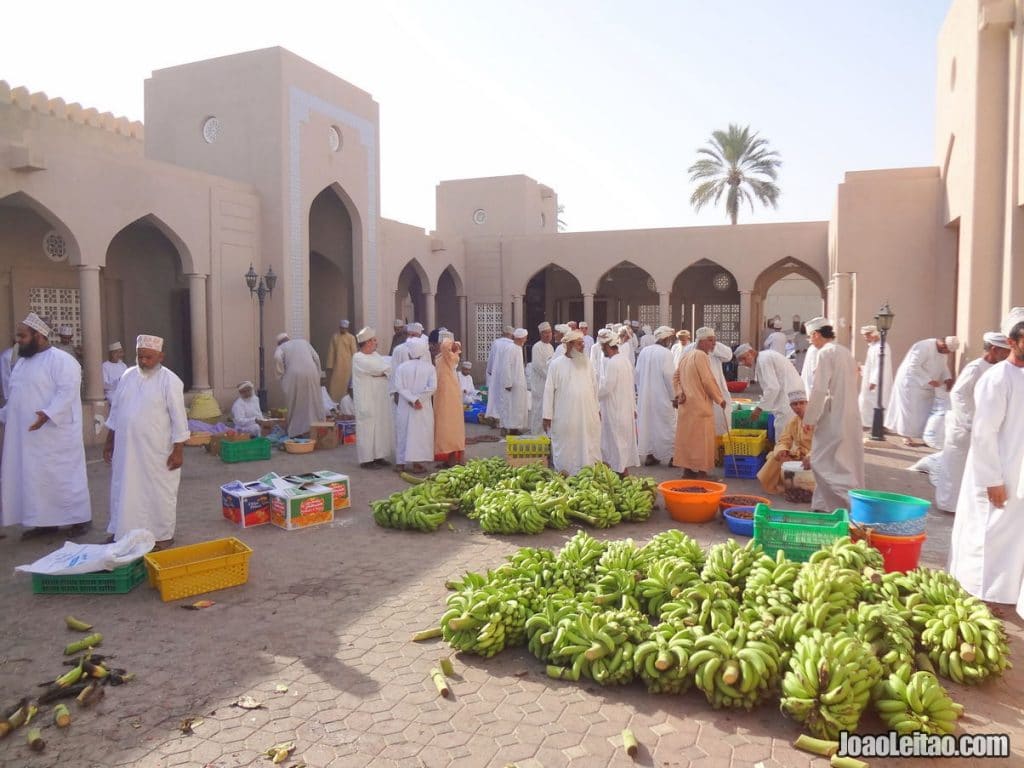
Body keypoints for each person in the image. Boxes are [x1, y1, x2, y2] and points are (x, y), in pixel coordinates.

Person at [948, 315, 1024, 610]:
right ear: (1011, 343)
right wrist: (992, 480)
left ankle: (1005, 594)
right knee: (988, 536)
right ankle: (981, 596)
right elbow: (984, 434)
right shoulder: (997, 379)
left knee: (1012, 540)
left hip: (1019, 473)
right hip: (998, 472)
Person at [0, 313, 91, 539]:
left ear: (39, 336)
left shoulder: (62, 360)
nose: (18, 340)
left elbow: (67, 392)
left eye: (22, 336)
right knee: (35, 480)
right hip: (28, 437)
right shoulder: (21, 364)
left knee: (63, 477)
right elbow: (16, 398)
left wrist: (48, 414)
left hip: (55, 435)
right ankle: (43, 523)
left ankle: (78, 519)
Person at [104, 334, 188, 549]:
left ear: (161, 356)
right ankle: (121, 531)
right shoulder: (127, 375)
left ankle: (162, 535)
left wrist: (178, 450)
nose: (143, 362)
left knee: (159, 492)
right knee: (124, 488)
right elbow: (116, 411)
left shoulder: (170, 380)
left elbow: (179, 418)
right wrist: (109, 441)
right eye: (140, 357)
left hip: (156, 450)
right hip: (126, 448)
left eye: (149, 357)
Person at [935, 332, 1011, 512]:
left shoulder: (997, 369)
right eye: (1004, 351)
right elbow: (958, 394)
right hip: (963, 427)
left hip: (977, 427)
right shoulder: (975, 368)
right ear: (994, 349)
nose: (1007, 355)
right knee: (955, 469)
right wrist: (969, 420)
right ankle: (948, 505)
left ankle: (962, 508)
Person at [801, 317, 865, 512]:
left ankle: (853, 506)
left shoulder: (826, 353)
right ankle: (823, 506)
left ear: (817, 334)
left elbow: (819, 390)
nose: (810, 342)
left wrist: (809, 419)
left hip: (834, 414)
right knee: (841, 459)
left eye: (810, 337)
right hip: (850, 413)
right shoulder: (845, 352)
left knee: (821, 461)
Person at [543, 330, 601, 475]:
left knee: (587, 445)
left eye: (583, 343)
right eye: (579, 343)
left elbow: (594, 387)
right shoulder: (556, 365)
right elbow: (549, 391)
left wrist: (597, 409)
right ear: (569, 345)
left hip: (587, 414)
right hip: (565, 416)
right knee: (566, 447)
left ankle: (586, 474)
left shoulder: (587, 363)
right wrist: (547, 415)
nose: (582, 346)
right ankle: (566, 474)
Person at [672, 327, 727, 479]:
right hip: (700, 407)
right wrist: (719, 399)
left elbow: (675, 378)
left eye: (714, 341)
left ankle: (687, 471)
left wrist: (679, 394)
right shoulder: (701, 356)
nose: (713, 344)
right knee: (703, 440)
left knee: (688, 439)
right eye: (710, 341)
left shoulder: (686, 356)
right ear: (701, 341)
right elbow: (707, 380)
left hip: (686, 407)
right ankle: (703, 473)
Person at [886, 336, 958, 446]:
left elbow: (943, 367)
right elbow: (913, 366)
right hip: (911, 383)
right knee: (910, 411)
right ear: (942, 345)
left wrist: (947, 378)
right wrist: (929, 380)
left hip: (926, 386)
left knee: (923, 411)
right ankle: (906, 435)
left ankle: (921, 435)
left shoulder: (942, 352)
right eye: (946, 351)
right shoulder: (923, 346)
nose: (946, 354)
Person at [735, 343, 806, 434]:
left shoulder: (764, 359)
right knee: (791, 431)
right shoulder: (764, 357)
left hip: (788, 397)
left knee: (783, 432)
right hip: (791, 394)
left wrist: (759, 409)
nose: (743, 363)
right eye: (741, 361)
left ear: (751, 352)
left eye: (744, 358)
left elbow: (772, 388)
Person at [597, 334, 639, 475]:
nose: (602, 350)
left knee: (616, 441)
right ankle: (619, 469)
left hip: (615, 408)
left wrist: (592, 395)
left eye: (603, 347)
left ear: (609, 347)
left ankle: (621, 472)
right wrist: (633, 407)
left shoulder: (614, 362)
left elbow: (608, 388)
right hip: (625, 407)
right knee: (620, 440)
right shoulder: (624, 360)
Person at [352, 327, 393, 469]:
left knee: (381, 427)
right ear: (367, 342)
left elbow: (387, 367)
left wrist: (382, 373)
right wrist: (382, 373)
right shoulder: (358, 358)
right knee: (368, 428)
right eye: (374, 340)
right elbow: (378, 368)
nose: (376, 343)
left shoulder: (375, 355)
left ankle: (379, 456)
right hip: (367, 400)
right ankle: (367, 460)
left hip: (379, 400)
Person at [393, 337, 436, 474]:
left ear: (410, 353)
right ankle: (417, 464)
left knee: (403, 432)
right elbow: (433, 387)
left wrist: (412, 399)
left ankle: (400, 464)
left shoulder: (401, 368)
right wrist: (419, 400)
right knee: (420, 434)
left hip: (405, 405)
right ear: (423, 352)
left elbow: (399, 387)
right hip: (422, 407)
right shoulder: (430, 368)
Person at [636, 325, 677, 467]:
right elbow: (669, 376)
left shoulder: (644, 352)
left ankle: (651, 455)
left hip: (645, 396)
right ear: (666, 339)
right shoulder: (666, 353)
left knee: (649, 425)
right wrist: (674, 396)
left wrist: (642, 391)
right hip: (662, 397)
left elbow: (637, 373)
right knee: (667, 426)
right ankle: (672, 456)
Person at [757, 390, 813, 494]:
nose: (798, 407)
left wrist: (811, 456)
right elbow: (784, 440)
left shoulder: (817, 420)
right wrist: (782, 450)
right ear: (791, 406)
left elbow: (824, 445)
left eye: (801, 403)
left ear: (807, 403)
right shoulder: (793, 422)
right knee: (774, 456)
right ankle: (779, 487)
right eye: (794, 404)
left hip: (817, 456)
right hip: (800, 456)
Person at [274, 332, 326, 437]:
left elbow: (277, 358)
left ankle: (295, 432)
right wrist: (318, 373)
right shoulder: (303, 342)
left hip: (294, 375)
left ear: (279, 343)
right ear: (288, 338)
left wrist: (281, 374)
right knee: (313, 400)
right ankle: (317, 428)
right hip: (312, 373)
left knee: (295, 402)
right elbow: (316, 357)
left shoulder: (281, 347)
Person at [433, 336, 466, 467]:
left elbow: (446, 347)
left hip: (449, 396)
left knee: (450, 429)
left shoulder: (450, 356)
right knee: (445, 429)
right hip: (443, 395)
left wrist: (449, 341)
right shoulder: (445, 356)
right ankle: (450, 459)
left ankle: (454, 460)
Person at [857, 325, 894, 429]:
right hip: (870, 381)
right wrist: (863, 369)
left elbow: (881, 365)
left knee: (876, 402)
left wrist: (874, 380)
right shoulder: (873, 346)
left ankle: (876, 426)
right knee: (866, 401)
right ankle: (868, 424)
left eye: (867, 335)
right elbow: (871, 365)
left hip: (878, 383)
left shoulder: (882, 347)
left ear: (873, 334)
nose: (865, 338)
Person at [499, 328, 529, 435]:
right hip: (512, 384)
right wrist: (508, 383)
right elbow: (506, 366)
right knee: (510, 406)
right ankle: (509, 428)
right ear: (521, 338)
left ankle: (515, 428)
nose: (526, 340)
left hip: (519, 383)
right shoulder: (511, 348)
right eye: (525, 338)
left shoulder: (518, 348)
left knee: (518, 406)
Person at [529, 322, 555, 435]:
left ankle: (545, 435)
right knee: (538, 410)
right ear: (541, 334)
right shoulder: (537, 347)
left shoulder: (551, 347)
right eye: (545, 333)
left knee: (547, 409)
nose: (548, 335)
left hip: (548, 383)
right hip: (540, 384)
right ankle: (536, 434)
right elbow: (538, 366)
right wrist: (550, 376)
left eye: (549, 332)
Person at [484, 326, 513, 425]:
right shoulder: (512, 345)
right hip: (507, 375)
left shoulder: (496, 343)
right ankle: (504, 420)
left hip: (496, 374)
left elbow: (491, 358)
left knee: (495, 396)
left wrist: (490, 370)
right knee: (505, 398)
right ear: (511, 334)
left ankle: (495, 417)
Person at [325, 319, 357, 402]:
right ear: (339, 327)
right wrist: (330, 366)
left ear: (347, 328)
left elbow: (354, 352)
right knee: (335, 385)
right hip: (337, 365)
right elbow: (331, 352)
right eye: (342, 328)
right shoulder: (335, 337)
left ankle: (345, 403)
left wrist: (356, 364)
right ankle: (335, 402)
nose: (343, 330)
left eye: (345, 328)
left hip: (348, 366)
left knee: (347, 385)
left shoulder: (351, 338)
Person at [0, 336, 16, 404]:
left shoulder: (27, 356)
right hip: (11, 396)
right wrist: (8, 398)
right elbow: (5, 378)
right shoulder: (7, 355)